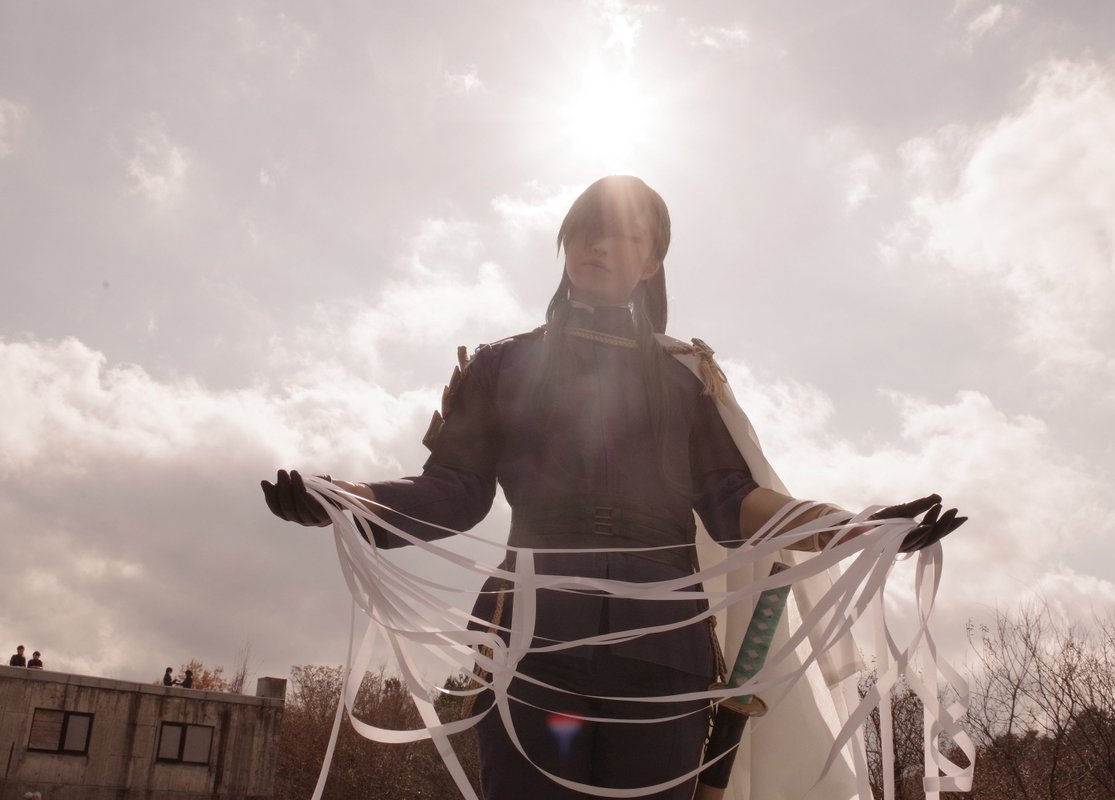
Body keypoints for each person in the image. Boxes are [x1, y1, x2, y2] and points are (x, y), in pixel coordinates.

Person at [261, 176, 963, 799]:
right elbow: (452, 492)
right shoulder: (501, 367)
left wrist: (859, 527)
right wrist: (344, 499)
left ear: (652, 261)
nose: (599, 245)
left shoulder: (685, 381)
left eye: (625, 234)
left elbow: (732, 504)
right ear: (566, 242)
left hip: (663, 655)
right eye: (586, 230)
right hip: (532, 643)